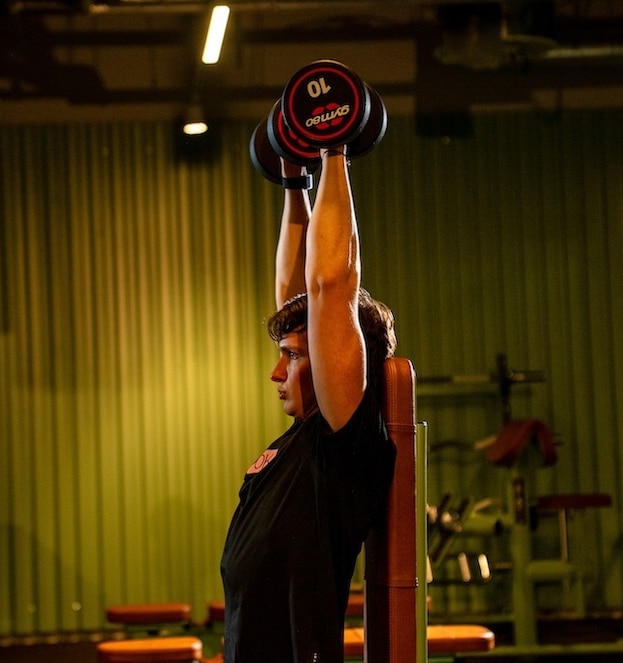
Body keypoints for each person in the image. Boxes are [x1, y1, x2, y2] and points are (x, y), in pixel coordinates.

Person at [220, 146, 398, 662]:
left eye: (294, 357)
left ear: (334, 359)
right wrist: (294, 183)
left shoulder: (342, 444)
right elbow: (296, 294)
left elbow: (329, 287)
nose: (276, 372)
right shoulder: (304, 439)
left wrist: (334, 151)